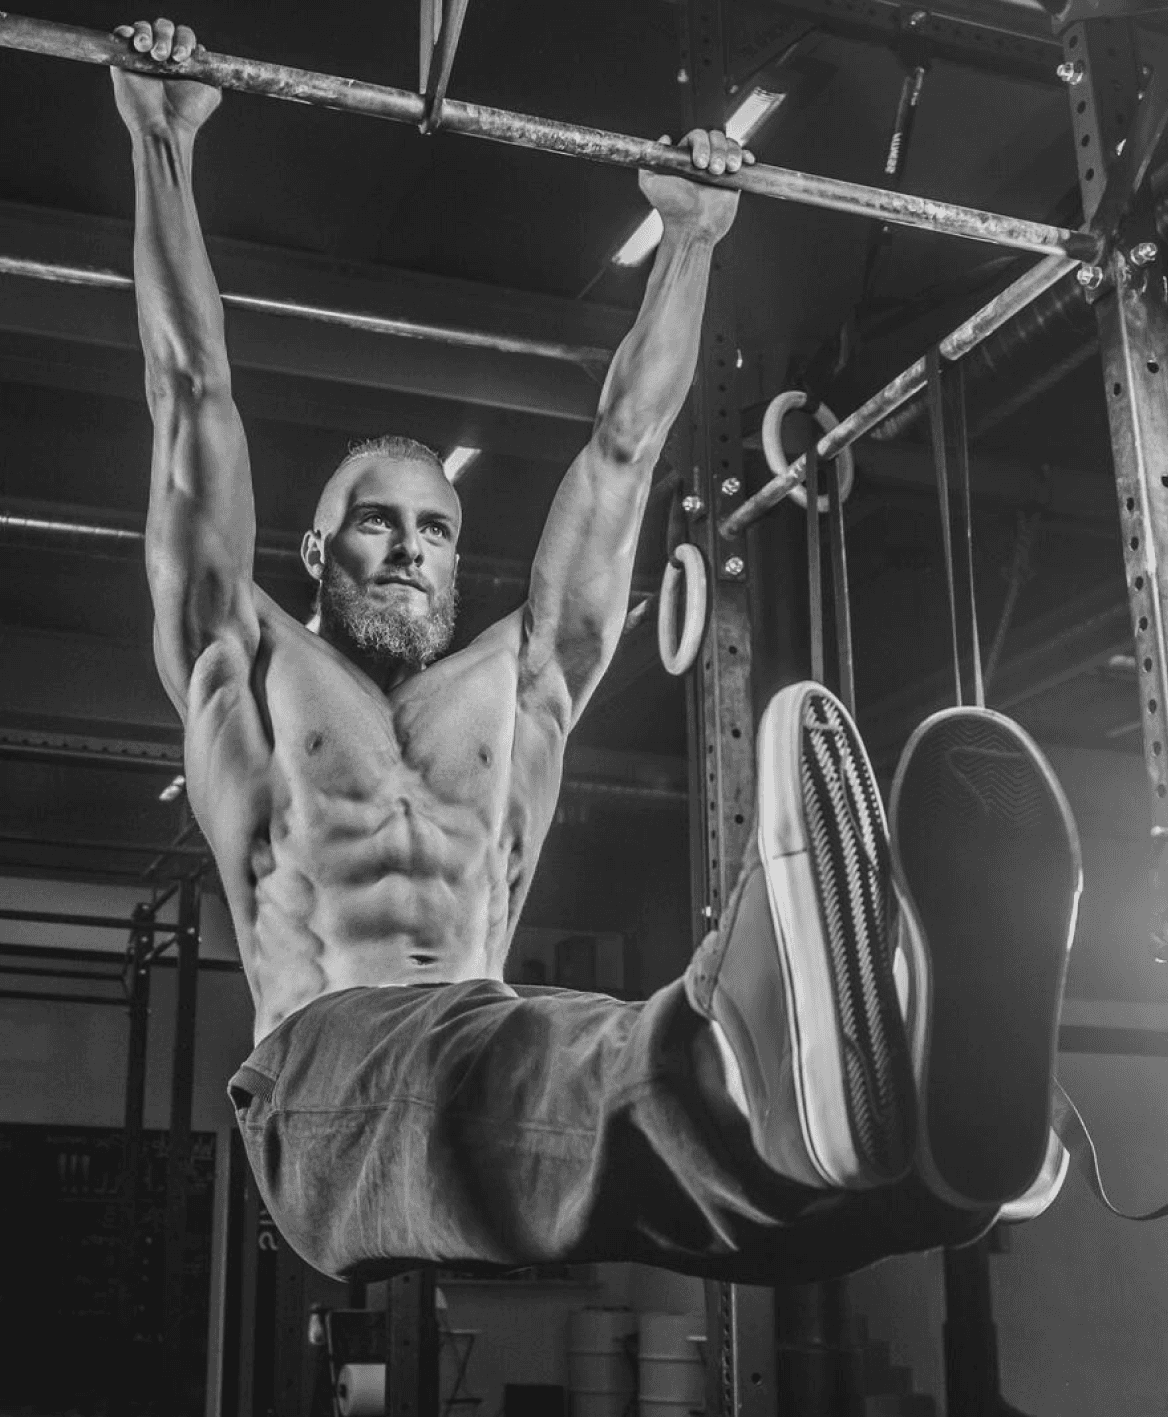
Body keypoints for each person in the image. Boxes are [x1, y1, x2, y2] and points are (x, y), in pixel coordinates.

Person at [111, 19, 1072, 1285]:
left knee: (684, 1120)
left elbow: (624, 449)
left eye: (435, 530)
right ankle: (745, 1060)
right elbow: (191, 389)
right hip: (323, 1079)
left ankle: (933, 1164)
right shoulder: (241, 658)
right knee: (564, 1078)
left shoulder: (522, 682)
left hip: (499, 1039)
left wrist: (689, 240)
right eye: (376, 525)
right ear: (316, 547)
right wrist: (160, 141)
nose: (409, 549)